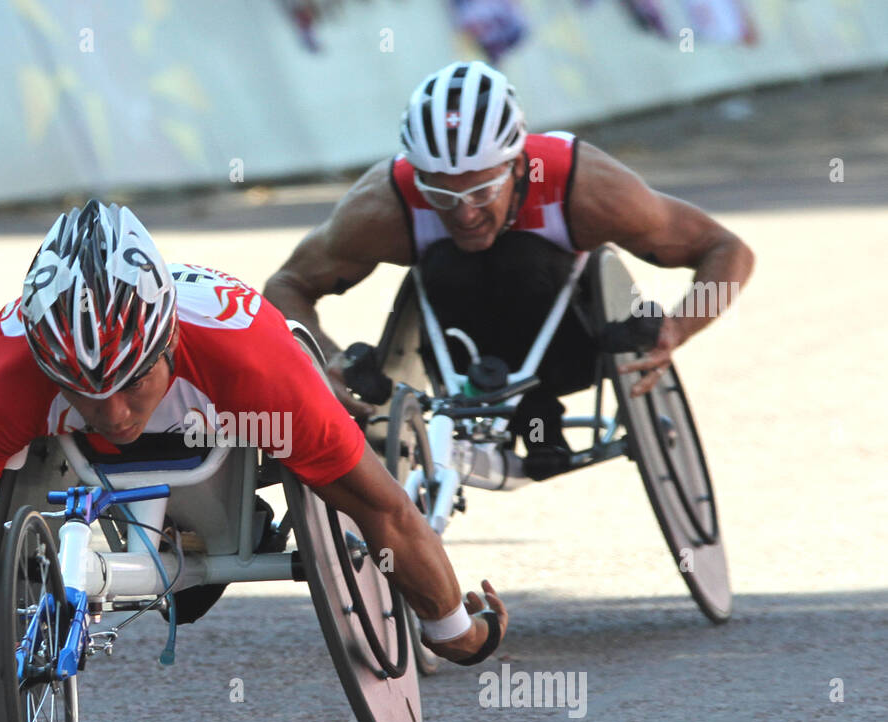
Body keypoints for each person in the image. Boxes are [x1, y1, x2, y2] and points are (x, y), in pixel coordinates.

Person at [0, 200, 508, 666]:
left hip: (231, 425)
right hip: (145, 433)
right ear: (44, 363)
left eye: (131, 382)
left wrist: (456, 631)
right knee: (181, 590)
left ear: (168, 342)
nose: (111, 412)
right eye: (81, 388)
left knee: (303, 478)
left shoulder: (252, 361)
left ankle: (238, 518)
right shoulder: (2, 377)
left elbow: (386, 511)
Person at [264, 60, 754, 477]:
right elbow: (287, 286)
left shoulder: (585, 186)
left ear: (518, 167)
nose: (463, 212)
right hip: (456, 348)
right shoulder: (383, 205)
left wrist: (678, 327)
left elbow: (725, 248)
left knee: (521, 256)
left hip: (574, 345)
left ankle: (538, 408)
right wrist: (326, 358)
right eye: (441, 195)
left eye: (480, 191)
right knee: (450, 259)